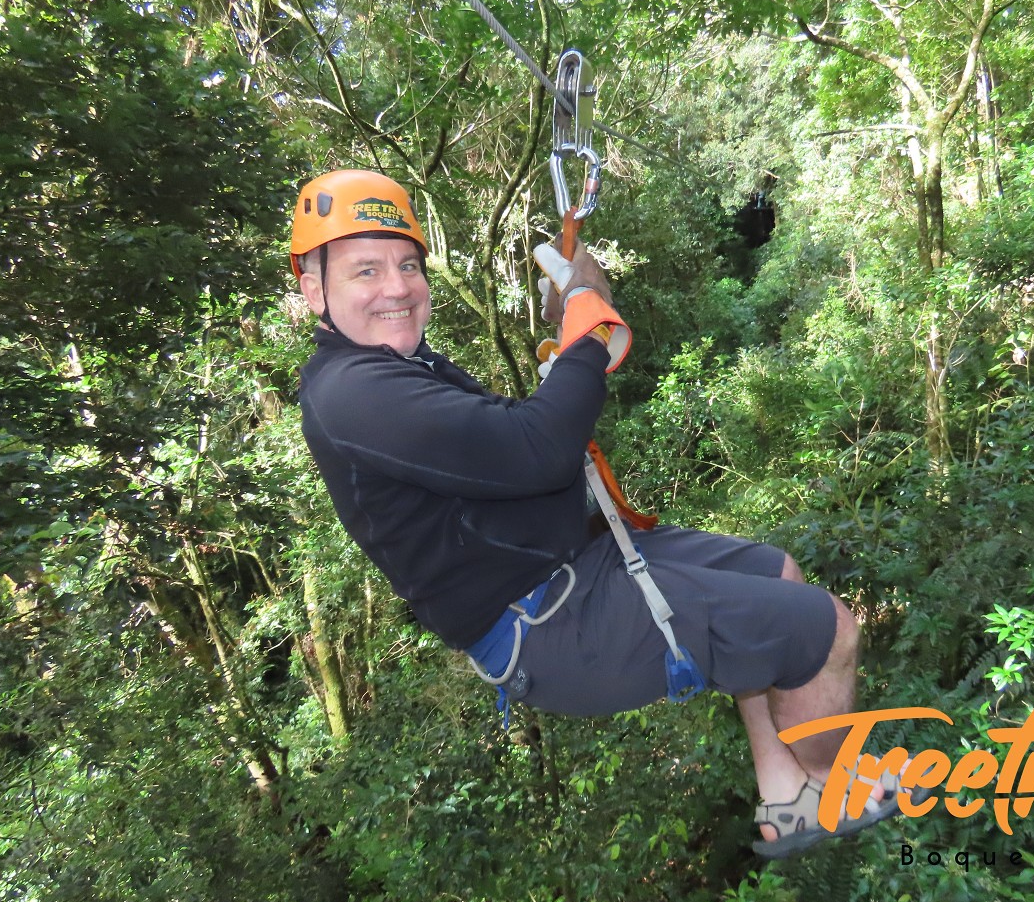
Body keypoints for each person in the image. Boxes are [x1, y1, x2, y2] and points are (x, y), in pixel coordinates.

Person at [292, 168, 914, 858]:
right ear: (314, 289)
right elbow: (537, 450)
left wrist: (570, 333)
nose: (397, 287)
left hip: (575, 561)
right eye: (366, 270)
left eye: (407, 265)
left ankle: (785, 789)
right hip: (545, 620)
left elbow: (505, 444)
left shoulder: (402, 368)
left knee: (779, 575)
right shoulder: (352, 391)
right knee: (827, 632)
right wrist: (589, 321)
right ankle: (830, 785)